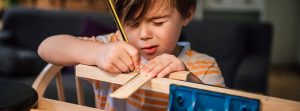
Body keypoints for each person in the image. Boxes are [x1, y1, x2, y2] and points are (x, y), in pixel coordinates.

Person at [38, 0, 225, 110]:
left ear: (188, 13)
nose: (144, 35)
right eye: (133, 24)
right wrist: (97, 53)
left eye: (158, 22)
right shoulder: (113, 47)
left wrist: (188, 81)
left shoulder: (204, 66)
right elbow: (46, 47)